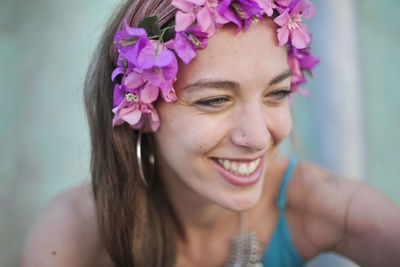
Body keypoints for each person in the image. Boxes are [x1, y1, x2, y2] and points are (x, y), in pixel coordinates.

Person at [20, 0, 400, 266]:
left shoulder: (328, 206)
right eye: (216, 100)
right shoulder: (73, 233)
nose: (257, 137)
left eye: (277, 93)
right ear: (143, 111)